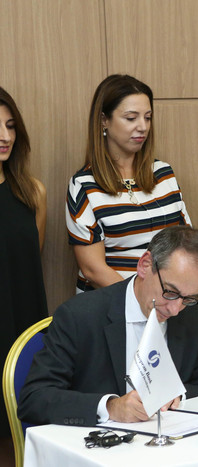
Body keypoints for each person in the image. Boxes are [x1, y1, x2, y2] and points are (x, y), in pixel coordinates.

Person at [18, 226, 198, 426]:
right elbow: (34, 399)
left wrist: (178, 395)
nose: (175, 309)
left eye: (189, 298)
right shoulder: (80, 316)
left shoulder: (193, 316)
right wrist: (110, 407)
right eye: (170, 292)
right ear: (145, 265)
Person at [66, 74, 191, 293]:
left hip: (169, 301)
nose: (143, 127)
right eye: (131, 118)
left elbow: (186, 243)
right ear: (104, 120)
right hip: (113, 303)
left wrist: (171, 297)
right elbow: (93, 270)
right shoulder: (84, 185)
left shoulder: (164, 173)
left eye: (148, 118)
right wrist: (143, 299)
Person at [0, 87, 48, 438]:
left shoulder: (32, 192)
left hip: (22, 326)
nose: (5, 136)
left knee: (21, 432)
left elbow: (32, 260)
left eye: (11, 126)